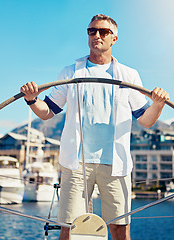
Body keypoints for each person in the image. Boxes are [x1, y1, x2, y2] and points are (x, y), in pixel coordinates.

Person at [20, 14, 169, 240]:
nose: (96, 35)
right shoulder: (70, 72)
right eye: (91, 31)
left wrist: (158, 105)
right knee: (68, 229)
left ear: (114, 39)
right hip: (76, 163)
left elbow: (146, 120)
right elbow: (47, 112)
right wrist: (32, 99)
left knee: (120, 230)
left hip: (116, 163)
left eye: (103, 31)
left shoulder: (129, 75)